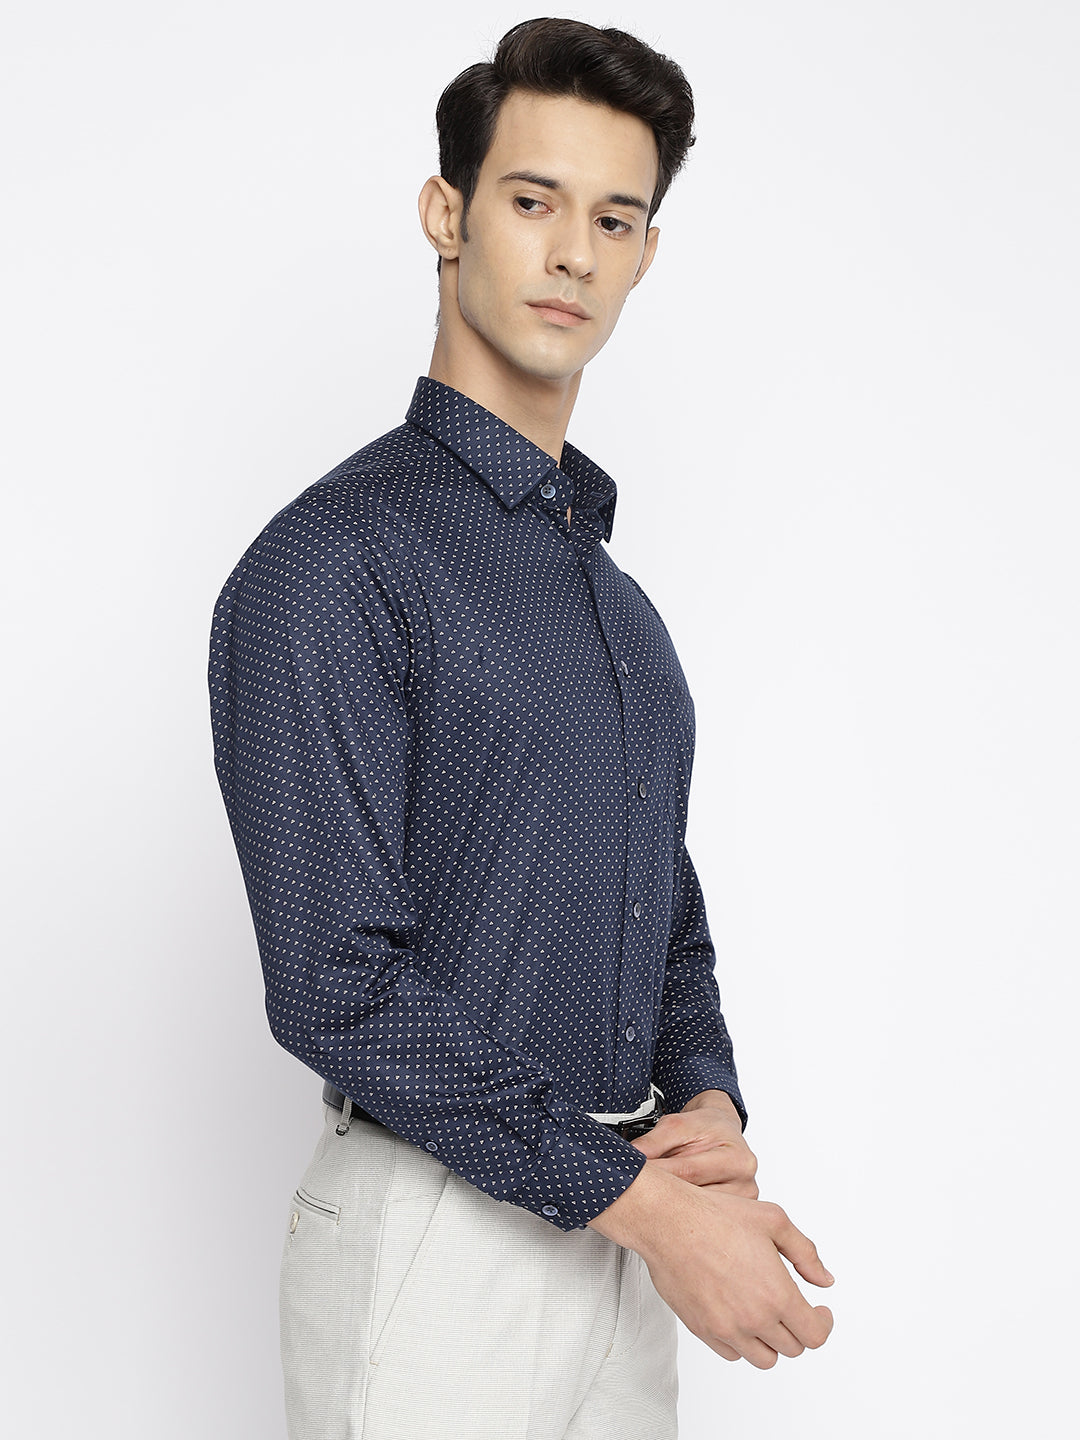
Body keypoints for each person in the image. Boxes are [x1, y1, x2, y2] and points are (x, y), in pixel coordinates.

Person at [208, 16, 834, 1438]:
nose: (574, 255)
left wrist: (709, 1101)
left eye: (614, 219)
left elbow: (659, 904)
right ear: (448, 213)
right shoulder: (331, 563)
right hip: (438, 1242)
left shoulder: (619, 610)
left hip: (624, 1225)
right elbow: (335, 986)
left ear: (646, 255)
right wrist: (647, 1210)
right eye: (533, 200)